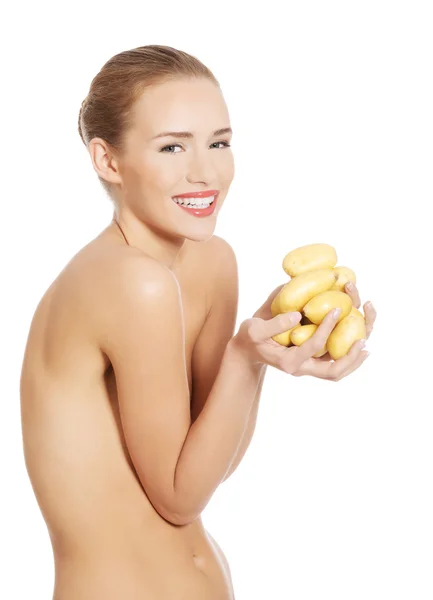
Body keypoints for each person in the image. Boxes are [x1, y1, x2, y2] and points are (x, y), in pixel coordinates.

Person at [20, 44, 376, 600]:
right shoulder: (129, 282)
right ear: (108, 160)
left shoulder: (212, 261)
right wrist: (245, 356)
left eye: (220, 142)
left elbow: (211, 467)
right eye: (171, 147)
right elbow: (178, 498)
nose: (205, 172)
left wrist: (265, 344)